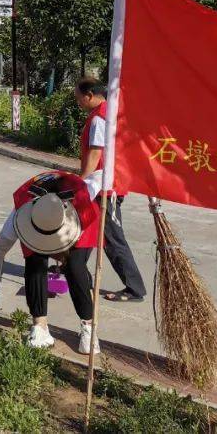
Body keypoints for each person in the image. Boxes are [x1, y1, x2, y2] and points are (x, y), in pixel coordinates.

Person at [0, 170, 102, 352]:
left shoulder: (84, 195)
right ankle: (40, 326)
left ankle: (88, 327)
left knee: (75, 267)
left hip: (78, 220)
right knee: (34, 263)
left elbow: (100, 176)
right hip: (36, 227)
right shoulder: (20, 217)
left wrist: (111, 186)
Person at [76, 77, 146, 303]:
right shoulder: (109, 112)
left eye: (78, 97)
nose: (77, 102)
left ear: (89, 95)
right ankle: (76, 273)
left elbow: (95, 153)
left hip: (104, 188)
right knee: (84, 230)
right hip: (107, 184)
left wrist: (80, 182)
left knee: (112, 239)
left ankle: (134, 289)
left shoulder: (99, 118)